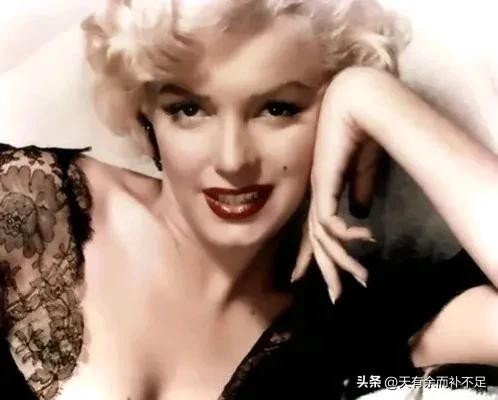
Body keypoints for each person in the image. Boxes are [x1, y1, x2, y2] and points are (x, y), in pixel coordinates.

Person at [0, 0, 496, 399]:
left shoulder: (356, 322)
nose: (233, 160)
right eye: (188, 110)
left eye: (278, 108)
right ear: (145, 112)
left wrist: (373, 96)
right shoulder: (27, 206)